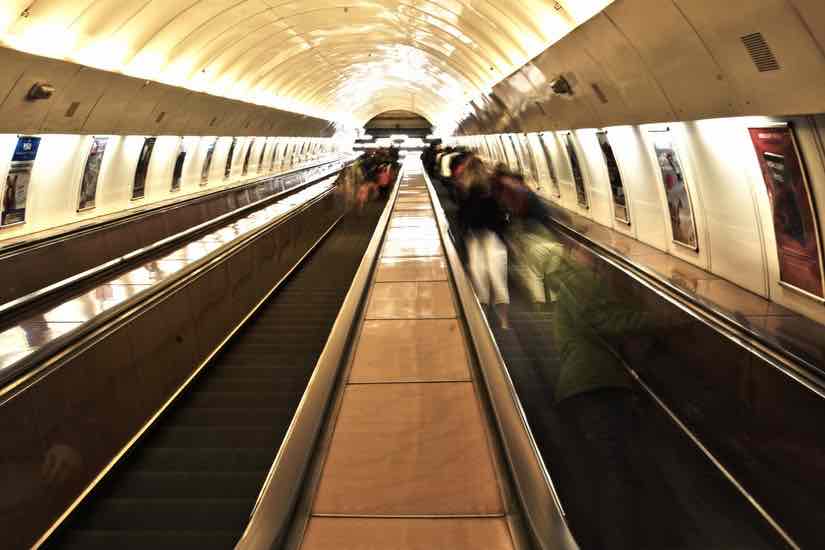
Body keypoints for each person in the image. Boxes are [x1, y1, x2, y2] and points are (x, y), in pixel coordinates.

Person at [454, 155, 511, 329]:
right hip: (493, 237)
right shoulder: (492, 189)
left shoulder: (464, 190)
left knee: (479, 278)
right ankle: (504, 321)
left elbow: (462, 216)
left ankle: (482, 320)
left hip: (474, 238)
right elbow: (501, 214)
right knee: (498, 277)